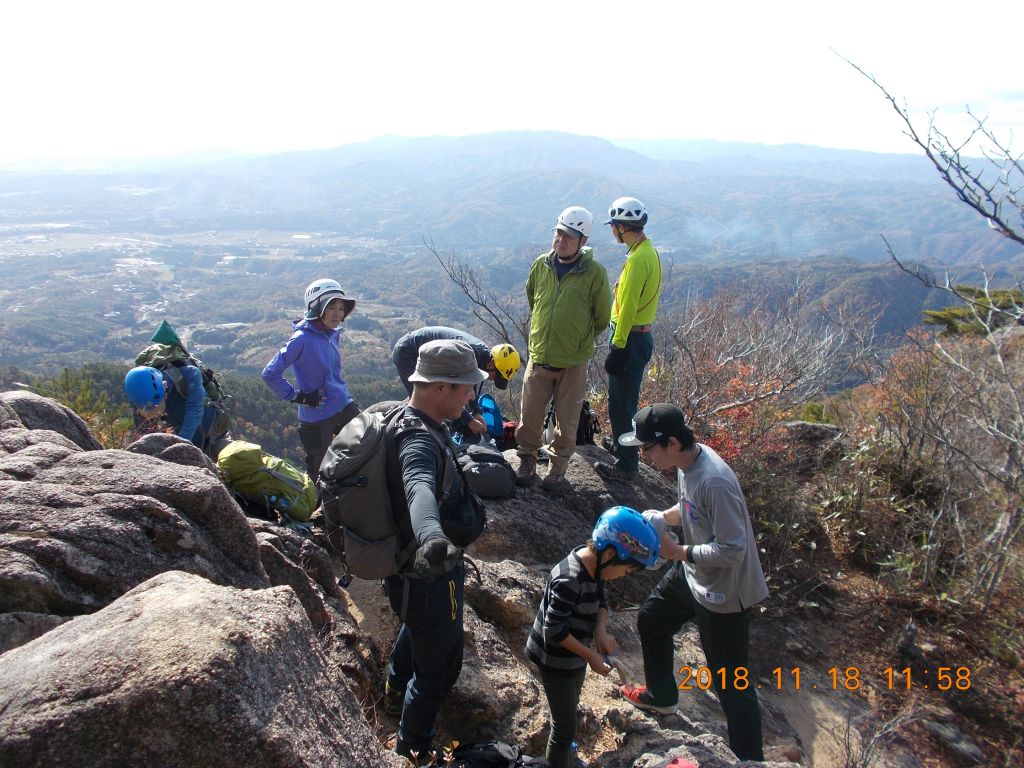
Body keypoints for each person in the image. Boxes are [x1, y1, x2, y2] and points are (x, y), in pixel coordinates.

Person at [617, 403, 768, 762]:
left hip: (726, 592)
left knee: (732, 685)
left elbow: (733, 550)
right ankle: (662, 697)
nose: (644, 455)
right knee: (652, 619)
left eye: (647, 448)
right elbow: (690, 509)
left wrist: (678, 551)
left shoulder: (714, 479)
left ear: (671, 442)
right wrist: (660, 518)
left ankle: (749, 759)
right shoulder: (688, 464)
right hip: (696, 574)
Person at [380, 339, 489, 762]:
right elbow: (418, 489)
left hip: (409, 570)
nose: (471, 396)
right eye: (466, 388)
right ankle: (415, 748)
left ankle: (392, 693)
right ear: (441, 386)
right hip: (427, 569)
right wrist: (433, 537)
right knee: (439, 669)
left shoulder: (410, 418)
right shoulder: (418, 441)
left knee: (417, 627)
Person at [526, 506, 660, 768]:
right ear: (611, 554)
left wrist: (600, 630)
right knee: (563, 727)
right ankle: (557, 761)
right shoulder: (570, 578)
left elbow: (601, 600)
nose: (623, 576)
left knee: (571, 707)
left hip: (573, 656)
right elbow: (553, 631)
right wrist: (591, 656)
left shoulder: (595, 565)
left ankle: (567, 754)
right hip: (555, 660)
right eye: (626, 570)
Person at [516, 206, 612, 494]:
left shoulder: (594, 273)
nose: (561, 240)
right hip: (540, 357)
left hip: (573, 362)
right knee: (529, 415)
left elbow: (602, 317)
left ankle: (557, 471)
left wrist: (578, 341)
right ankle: (527, 461)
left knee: (567, 421)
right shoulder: (541, 265)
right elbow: (533, 298)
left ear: (582, 241)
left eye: (569, 236)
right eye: (559, 233)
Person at [262, 278, 359, 481]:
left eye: (341, 308)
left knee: (367, 445)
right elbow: (270, 373)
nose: (337, 313)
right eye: (331, 306)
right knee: (318, 471)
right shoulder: (301, 339)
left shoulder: (332, 334)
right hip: (316, 416)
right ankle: (315, 510)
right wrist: (298, 397)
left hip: (342, 404)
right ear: (316, 307)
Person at [595, 196, 662, 482]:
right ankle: (623, 447)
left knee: (621, 403)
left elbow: (629, 307)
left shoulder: (637, 259)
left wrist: (618, 346)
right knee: (622, 399)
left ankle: (626, 463)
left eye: (614, 226)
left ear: (622, 227)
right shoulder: (648, 251)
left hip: (629, 338)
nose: (612, 231)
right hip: (638, 336)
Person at [391, 326, 520, 443]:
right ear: (491, 365)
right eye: (496, 376)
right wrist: (470, 421)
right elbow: (453, 392)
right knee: (424, 404)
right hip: (408, 352)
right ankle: (420, 437)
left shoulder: (483, 356)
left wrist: (476, 412)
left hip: (419, 352)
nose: (492, 380)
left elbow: (470, 387)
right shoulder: (472, 353)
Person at [124, 364, 231, 459]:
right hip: (186, 445)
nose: (156, 411)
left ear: (165, 385)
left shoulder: (190, 374)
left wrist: (176, 448)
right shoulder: (140, 397)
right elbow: (144, 431)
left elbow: (194, 412)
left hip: (213, 438)